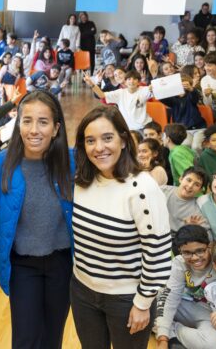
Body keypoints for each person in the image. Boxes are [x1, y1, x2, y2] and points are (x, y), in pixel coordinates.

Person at [71, 105, 171, 349]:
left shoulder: (142, 187)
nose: (99, 147)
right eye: (90, 140)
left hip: (127, 299)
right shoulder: (82, 181)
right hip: (82, 291)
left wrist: (143, 303)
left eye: (108, 138)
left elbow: (157, 252)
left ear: (124, 141)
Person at [0, 90, 74, 349]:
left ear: (56, 128)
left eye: (43, 122)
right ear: (18, 123)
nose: (34, 130)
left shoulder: (72, 162)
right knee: (24, 338)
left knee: (52, 336)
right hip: (22, 265)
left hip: (61, 263)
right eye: (27, 121)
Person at [160, 167, 210, 249]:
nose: (190, 186)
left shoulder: (198, 208)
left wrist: (193, 230)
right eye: (189, 180)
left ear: (200, 190)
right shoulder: (162, 191)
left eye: (196, 184)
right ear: (181, 179)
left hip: (177, 243)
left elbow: (207, 236)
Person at [87, 70, 153, 131]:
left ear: (138, 82)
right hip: (128, 129)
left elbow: (154, 89)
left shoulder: (144, 90)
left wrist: (153, 85)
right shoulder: (120, 93)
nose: (132, 81)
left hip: (144, 126)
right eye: (129, 79)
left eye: (135, 79)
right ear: (125, 82)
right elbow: (101, 95)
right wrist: (91, 84)